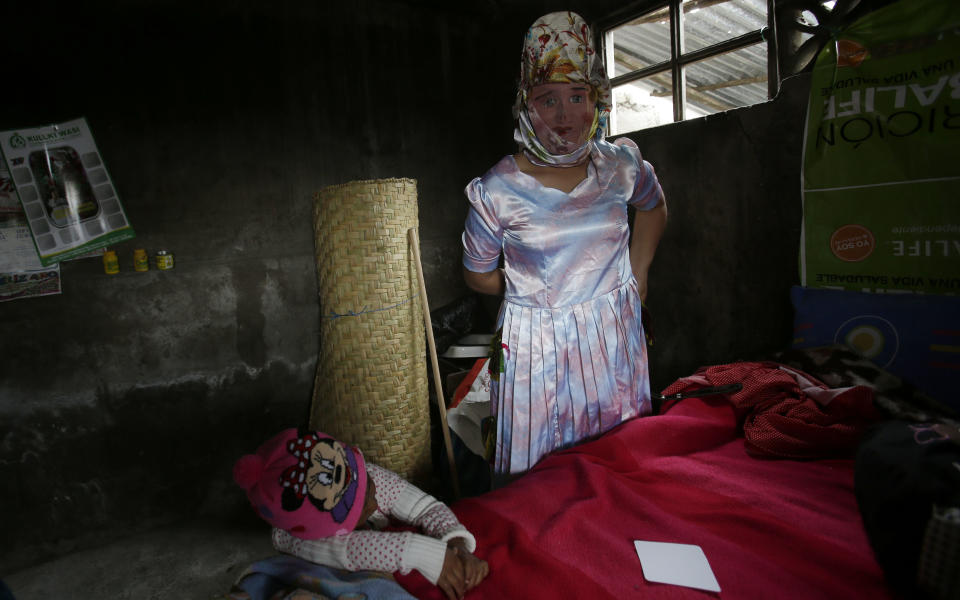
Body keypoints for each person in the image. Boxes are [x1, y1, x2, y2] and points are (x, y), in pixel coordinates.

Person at [461, 11, 668, 477]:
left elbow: (654, 208)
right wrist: (530, 290)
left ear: (599, 99)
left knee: (619, 465)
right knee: (541, 477)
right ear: (525, 105)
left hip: (613, 337)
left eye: (578, 96)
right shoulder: (497, 190)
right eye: (547, 99)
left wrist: (637, 275)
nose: (564, 115)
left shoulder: (621, 166)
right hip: (536, 350)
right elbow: (476, 273)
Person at [233, 428, 489, 600]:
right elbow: (355, 549)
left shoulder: (362, 476)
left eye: (366, 479)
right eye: (360, 504)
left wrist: (457, 544)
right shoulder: (303, 539)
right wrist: (432, 557)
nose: (374, 494)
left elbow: (425, 507)